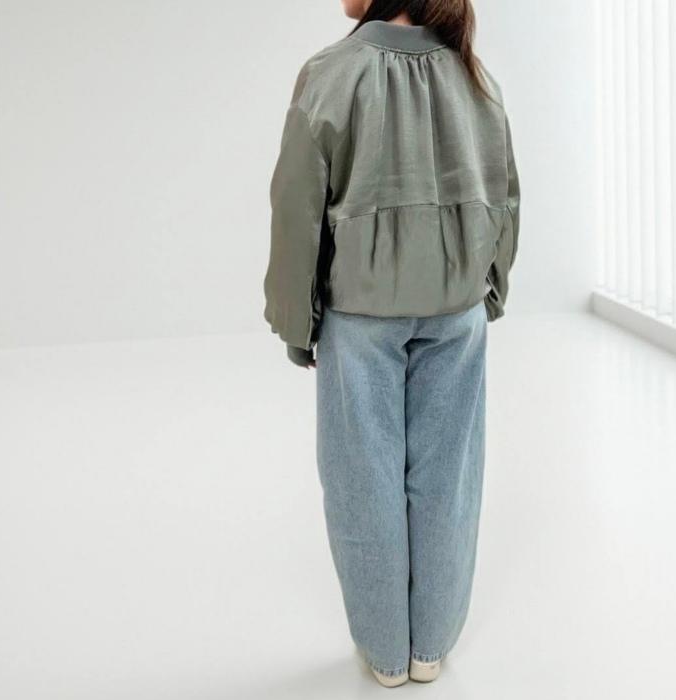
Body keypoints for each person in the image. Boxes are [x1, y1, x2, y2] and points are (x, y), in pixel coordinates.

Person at [262, 0, 520, 688]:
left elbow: (295, 207)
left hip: (361, 317)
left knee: (362, 483)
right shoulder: (475, 76)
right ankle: (431, 646)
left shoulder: (331, 73)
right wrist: (492, 285)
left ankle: (384, 653)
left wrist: (296, 319)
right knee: (448, 481)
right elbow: (504, 193)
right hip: (457, 312)